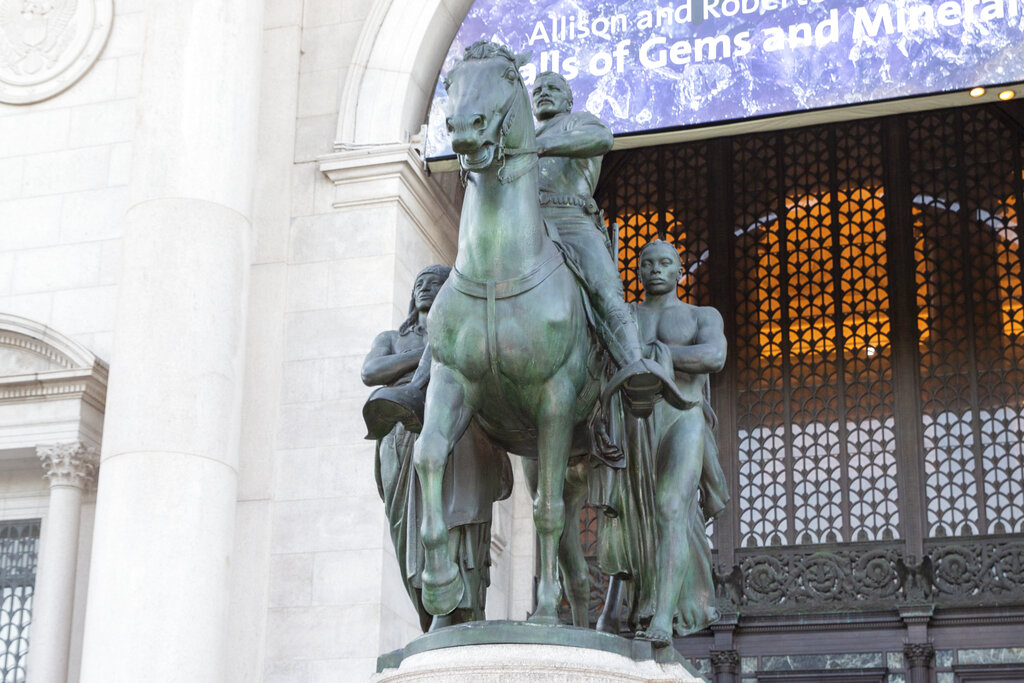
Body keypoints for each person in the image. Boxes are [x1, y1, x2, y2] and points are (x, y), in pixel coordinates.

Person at [361, 265, 512, 631]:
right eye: (419, 283)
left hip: (451, 433)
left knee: (453, 518)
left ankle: (453, 608)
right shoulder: (393, 338)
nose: (425, 288)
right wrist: (432, 351)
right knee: (405, 535)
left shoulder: (467, 331)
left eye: (435, 282)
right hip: (398, 438)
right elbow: (371, 372)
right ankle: (427, 611)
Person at [595, 239, 729, 646]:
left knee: (672, 507)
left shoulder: (700, 315)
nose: (655, 269)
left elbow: (713, 356)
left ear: (678, 272)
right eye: (647, 263)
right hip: (633, 424)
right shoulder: (626, 316)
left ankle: (664, 617)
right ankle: (638, 605)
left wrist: (653, 355)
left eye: (665, 263)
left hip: (682, 416)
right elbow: (599, 361)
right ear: (637, 271)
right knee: (636, 518)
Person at [532, 71, 687, 417]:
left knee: (605, 289)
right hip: (525, 222)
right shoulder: (520, 136)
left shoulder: (581, 122)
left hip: (571, 218)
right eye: (538, 89)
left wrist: (539, 147)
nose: (544, 93)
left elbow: (602, 139)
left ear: (568, 100)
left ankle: (635, 367)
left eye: (553, 88)